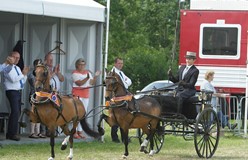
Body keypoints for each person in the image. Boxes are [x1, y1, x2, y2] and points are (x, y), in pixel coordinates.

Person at [71, 58, 101, 139]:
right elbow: (79, 83)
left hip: (85, 95)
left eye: (83, 64)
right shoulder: (75, 73)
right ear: (77, 65)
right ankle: (74, 131)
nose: (82, 66)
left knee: (83, 114)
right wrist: (87, 78)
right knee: (77, 114)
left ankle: (80, 131)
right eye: (80, 64)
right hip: (77, 95)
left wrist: (95, 76)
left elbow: (91, 83)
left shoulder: (87, 73)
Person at [3, 51, 29, 141]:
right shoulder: (7, 68)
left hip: (17, 91)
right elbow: (13, 79)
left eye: (18, 58)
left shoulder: (17, 68)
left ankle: (11, 132)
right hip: (11, 91)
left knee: (17, 112)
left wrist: (24, 75)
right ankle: (12, 133)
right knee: (15, 111)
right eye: (15, 57)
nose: (17, 59)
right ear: (10, 57)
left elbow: (22, 81)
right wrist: (23, 74)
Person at [111, 57, 132, 143]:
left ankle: (124, 137)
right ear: (115, 64)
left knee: (124, 117)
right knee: (116, 117)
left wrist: (125, 83)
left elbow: (129, 81)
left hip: (123, 95)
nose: (121, 65)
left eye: (122, 63)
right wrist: (125, 83)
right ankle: (115, 138)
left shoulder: (121, 73)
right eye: (119, 63)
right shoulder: (112, 73)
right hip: (116, 97)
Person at [44, 52, 65, 136]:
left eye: (52, 60)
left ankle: (54, 129)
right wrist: (53, 73)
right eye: (49, 60)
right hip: (49, 93)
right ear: (45, 60)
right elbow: (47, 79)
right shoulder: (44, 69)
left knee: (57, 111)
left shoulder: (54, 70)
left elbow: (62, 79)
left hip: (56, 93)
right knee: (49, 112)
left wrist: (58, 72)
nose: (51, 62)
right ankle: (48, 130)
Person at [27, 59, 46, 138]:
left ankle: (38, 132)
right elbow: (35, 84)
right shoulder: (31, 74)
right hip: (33, 95)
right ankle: (32, 132)